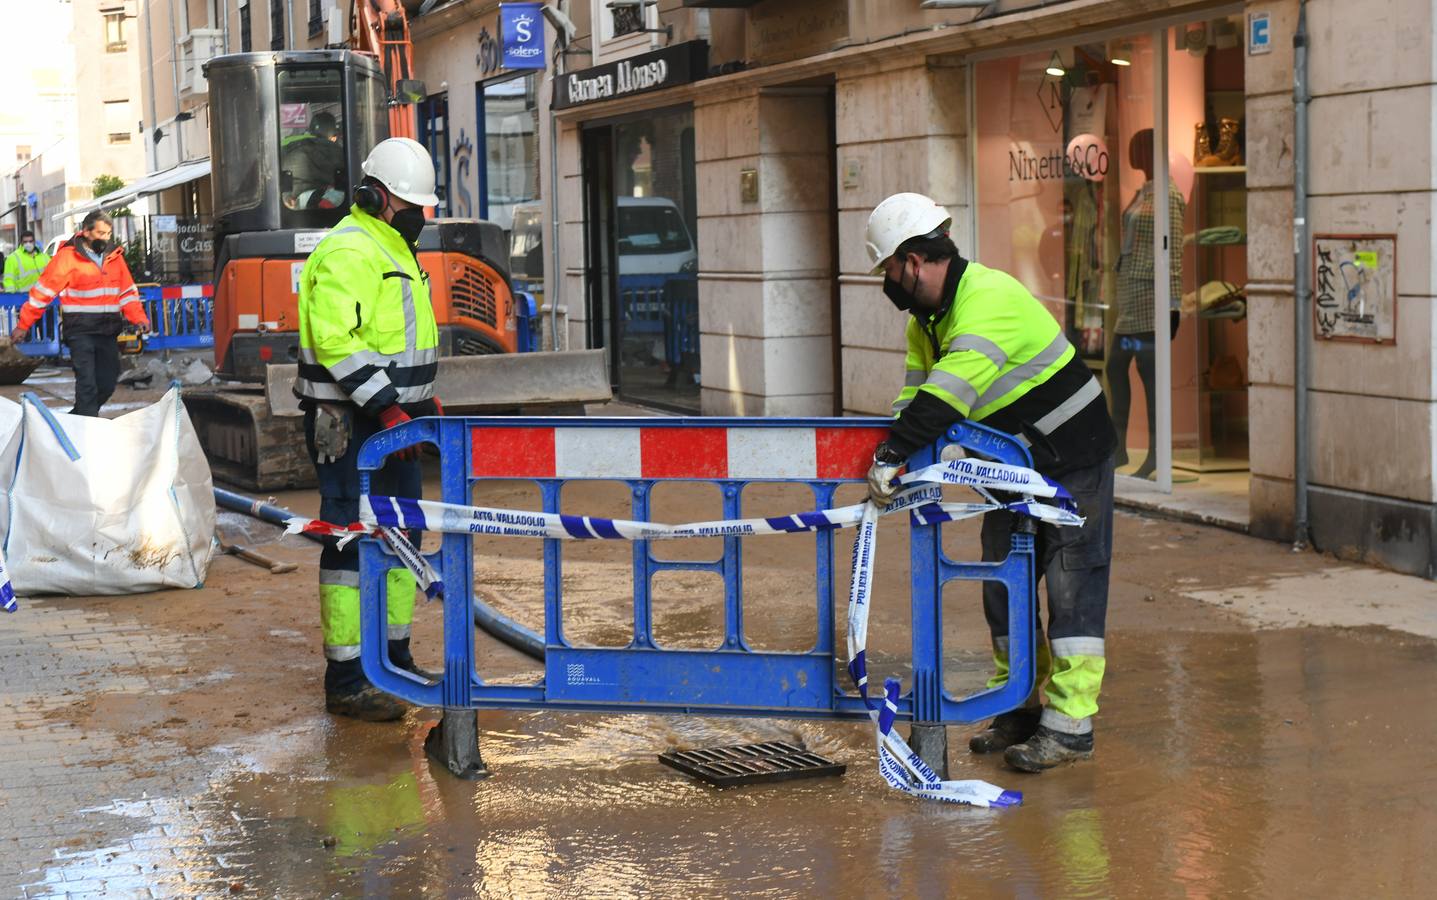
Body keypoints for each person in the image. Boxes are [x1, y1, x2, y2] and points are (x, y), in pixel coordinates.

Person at [863, 192, 1115, 773]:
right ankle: (1019, 703)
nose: (888, 282)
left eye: (889, 269)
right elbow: (915, 398)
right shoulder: (927, 322)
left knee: (1072, 584)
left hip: (1073, 456)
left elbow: (950, 395)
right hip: (1010, 466)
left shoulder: (987, 299)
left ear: (916, 259)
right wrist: (892, 456)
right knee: (1001, 582)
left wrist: (895, 452)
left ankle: (1071, 725)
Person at [295, 137, 442, 722]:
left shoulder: (390, 245)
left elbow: (401, 339)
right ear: (379, 197)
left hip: (394, 421)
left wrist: (426, 398)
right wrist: (386, 407)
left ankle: (393, 660)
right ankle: (350, 677)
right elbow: (336, 340)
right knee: (352, 541)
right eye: (411, 204)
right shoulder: (350, 251)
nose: (419, 216)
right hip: (353, 423)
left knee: (403, 535)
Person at [9, 212, 149, 416]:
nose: (105, 238)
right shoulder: (67, 258)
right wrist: (23, 325)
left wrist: (139, 318)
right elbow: (42, 293)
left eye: (108, 233)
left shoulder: (114, 257)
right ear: (85, 232)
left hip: (107, 332)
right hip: (80, 333)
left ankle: (76, 420)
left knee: (108, 384)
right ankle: (85, 432)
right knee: (87, 387)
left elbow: (127, 292)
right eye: (101, 233)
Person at [1108, 128, 1185, 479]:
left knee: (1150, 377)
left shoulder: (1167, 196)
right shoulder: (1145, 192)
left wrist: (1172, 304)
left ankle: (1156, 454)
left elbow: (1175, 253)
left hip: (1150, 298)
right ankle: (1120, 449)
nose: (1130, 154)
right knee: (1115, 368)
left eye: (1136, 148)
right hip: (1130, 297)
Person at [282, 111, 346, 208]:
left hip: (291, 204)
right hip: (328, 209)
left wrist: (287, 197)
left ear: (310, 129)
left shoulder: (287, 144)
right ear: (333, 136)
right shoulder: (340, 152)